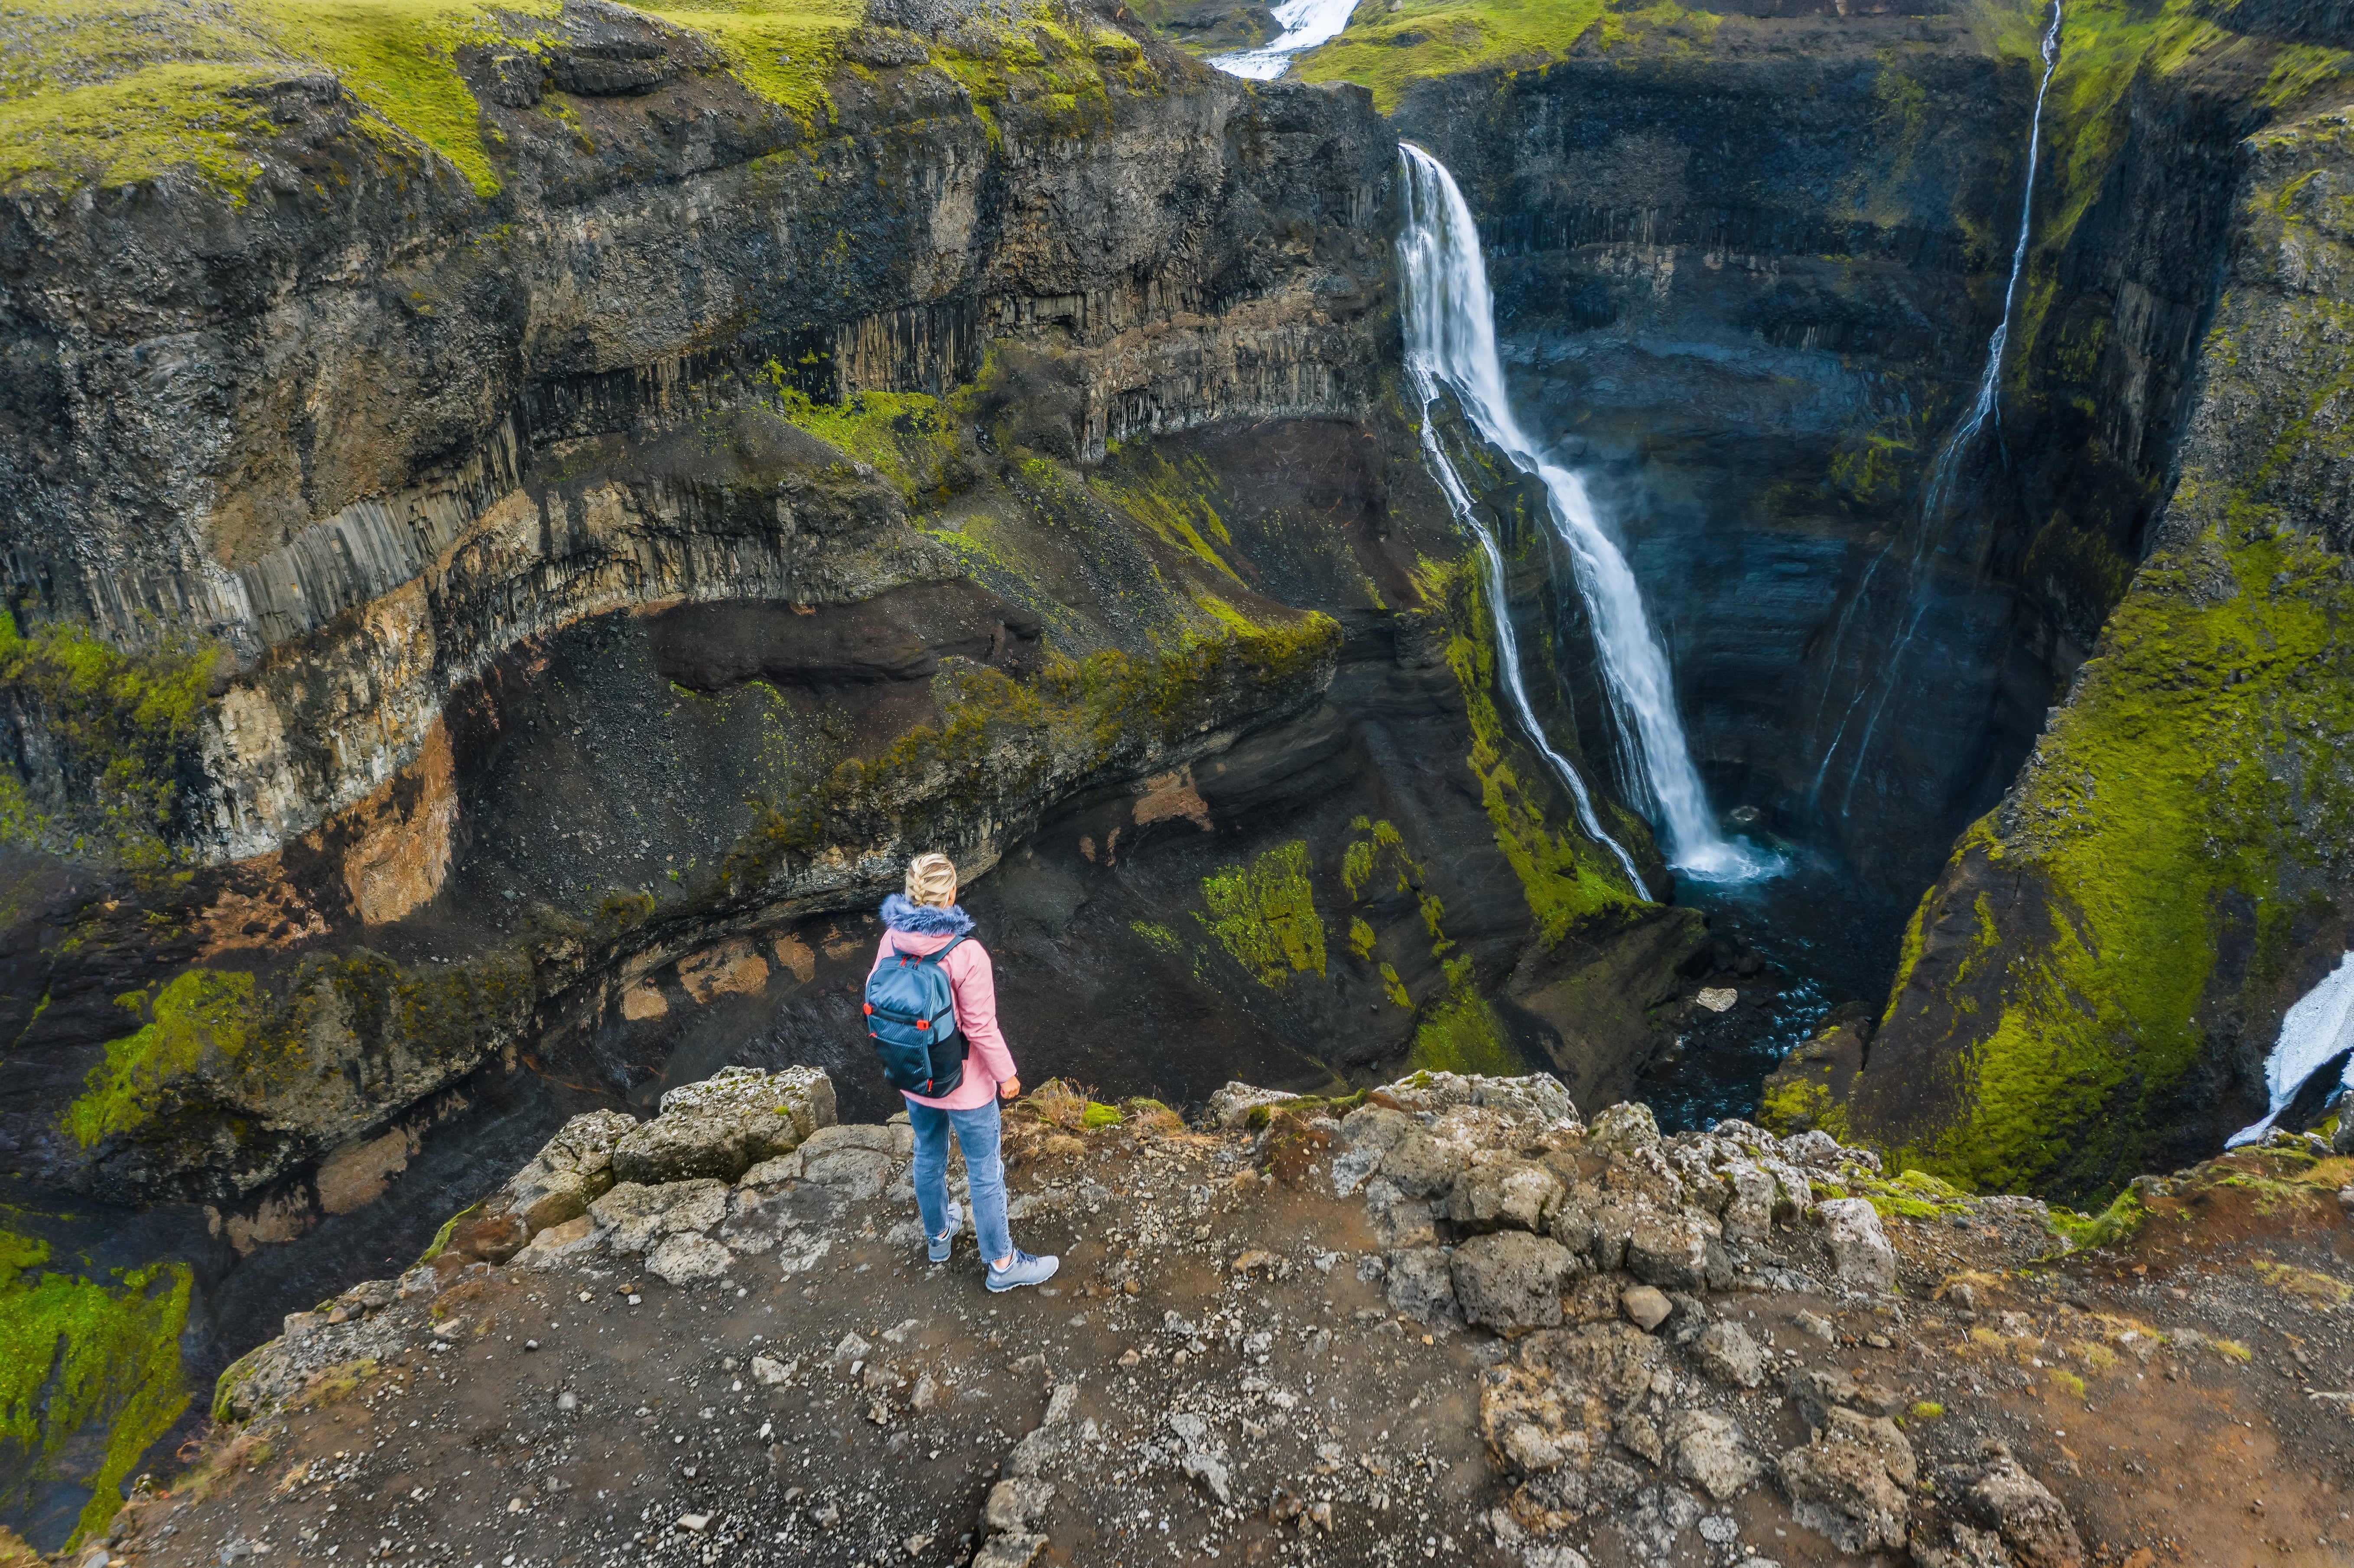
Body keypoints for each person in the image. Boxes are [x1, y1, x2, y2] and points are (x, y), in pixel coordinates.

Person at [874, 852, 1059, 1292]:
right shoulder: (966, 952)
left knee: (928, 1153)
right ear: (952, 894)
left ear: (910, 894)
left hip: (915, 1077)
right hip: (966, 1085)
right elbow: (979, 1026)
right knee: (983, 1169)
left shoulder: (891, 940)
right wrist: (1006, 1075)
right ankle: (1002, 1263)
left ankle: (938, 1237)